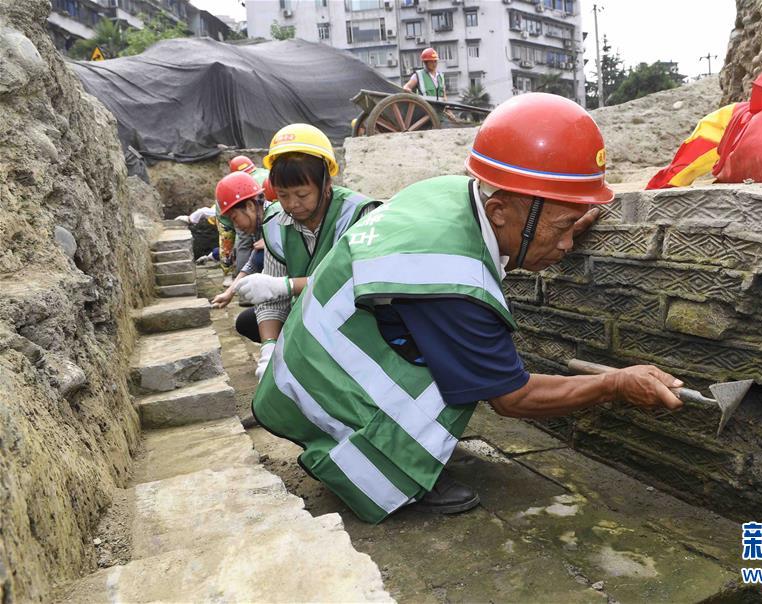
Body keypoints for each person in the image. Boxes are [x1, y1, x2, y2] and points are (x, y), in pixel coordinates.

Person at [251, 93, 685, 525]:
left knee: (457, 360)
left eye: (572, 226)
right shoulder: (451, 280)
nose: (568, 244)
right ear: (499, 210)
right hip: (315, 392)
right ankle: (382, 469)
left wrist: (559, 223)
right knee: (465, 378)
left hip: (302, 364)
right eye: (562, 228)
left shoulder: (450, 194)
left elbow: (491, 245)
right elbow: (513, 396)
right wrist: (615, 385)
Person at [232, 124, 379, 380]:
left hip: (355, 316)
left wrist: (286, 286)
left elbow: (359, 281)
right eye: (283, 195)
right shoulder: (275, 223)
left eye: (302, 194)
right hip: (308, 315)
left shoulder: (358, 214)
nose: (292, 204)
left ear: (326, 182)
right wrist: (268, 348)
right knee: (248, 320)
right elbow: (272, 299)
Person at [209, 171, 267, 342]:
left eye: (235, 218)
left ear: (250, 206)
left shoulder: (276, 223)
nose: (236, 226)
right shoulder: (259, 228)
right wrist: (229, 292)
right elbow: (253, 263)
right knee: (244, 321)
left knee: (248, 321)